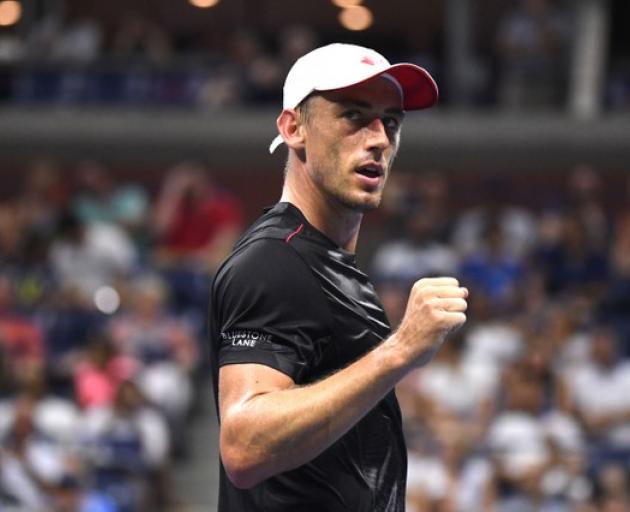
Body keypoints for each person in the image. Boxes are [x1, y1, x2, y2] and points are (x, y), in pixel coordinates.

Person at [208, 43, 468, 511]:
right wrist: (402, 348)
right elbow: (244, 446)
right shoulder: (274, 262)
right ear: (293, 128)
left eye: (391, 122)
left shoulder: (327, 263)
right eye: (353, 116)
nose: (380, 139)